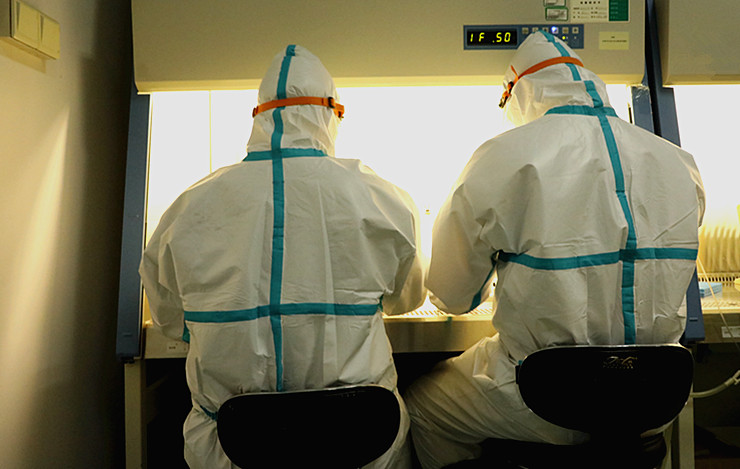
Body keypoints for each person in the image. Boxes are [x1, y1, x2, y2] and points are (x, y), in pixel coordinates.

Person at [404, 31, 705, 469]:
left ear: (516, 92)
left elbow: (452, 296)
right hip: (653, 397)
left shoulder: (504, 156)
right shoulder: (679, 161)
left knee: (423, 406)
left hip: (547, 398)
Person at [140, 45, 426, 469]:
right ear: (332, 115)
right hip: (360, 443)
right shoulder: (381, 197)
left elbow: (171, 321)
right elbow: (407, 301)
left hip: (235, 448)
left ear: (258, 116)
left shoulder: (189, 206)